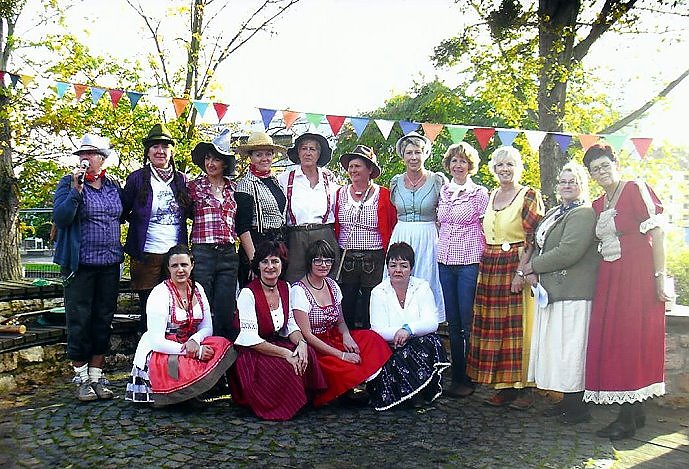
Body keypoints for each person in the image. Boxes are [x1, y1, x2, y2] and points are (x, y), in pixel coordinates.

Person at [582, 144, 669, 440]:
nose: (601, 172)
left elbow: (657, 232)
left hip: (637, 272)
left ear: (615, 164)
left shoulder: (635, 189)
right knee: (615, 338)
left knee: (631, 339)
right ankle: (636, 411)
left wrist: (660, 277)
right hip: (610, 275)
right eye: (595, 169)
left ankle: (627, 418)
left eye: (605, 165)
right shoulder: (597, 205)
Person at [465, 146, 544, 410]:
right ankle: (503, 387)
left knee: (517, 328)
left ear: (518, 167)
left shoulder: (529, 195)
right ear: (493, 169)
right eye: (500, 165)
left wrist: (522, 271)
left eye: (510, 165)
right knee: (494, 327)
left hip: (516, 263)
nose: (505, 170)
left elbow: (534, 240)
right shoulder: (490, 195)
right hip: (491, 265)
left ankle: (524, 389)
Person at [520, 162, 599, 424]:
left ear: (582, 185)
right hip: (554, 290)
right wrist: (532, 271)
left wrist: (533, 267)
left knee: (572, 349)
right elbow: (541, 244)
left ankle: (579, 408)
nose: (567, 185)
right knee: (559, 348)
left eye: (572, 181)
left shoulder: (583, 213)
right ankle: (567, 401)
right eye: (563, 181)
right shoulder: (556, 212)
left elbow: (569, 251)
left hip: (574, 292)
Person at [53, 133, 123, 402]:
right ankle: (81, 378)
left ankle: (97, 376)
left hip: (109, 263)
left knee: (103, 319)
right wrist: (75, 191)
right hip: (80, 266)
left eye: (92, 154)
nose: (85, 158)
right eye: (82, 154)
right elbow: (61, 217)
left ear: (102, 159)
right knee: (79, 320)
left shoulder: (112, 186)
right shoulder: (68, 184)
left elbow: (122, 213)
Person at [125, 245, 236, 407]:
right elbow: (157, 341)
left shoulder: (197, 289)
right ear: (168, 268)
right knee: (179, 362)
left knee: (221, 344)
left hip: (190, 342)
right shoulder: (160, 293)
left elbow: (207, 327)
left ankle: (193, 392)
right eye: (175, 266)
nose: (180, 270)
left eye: (184, 265)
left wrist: (195, 340)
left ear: (192, 265)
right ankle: (176, 396)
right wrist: (195, 352)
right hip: (163, 349)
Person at [231, 241, 327, 420]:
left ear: (282, 264)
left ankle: (304, 400)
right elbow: (250, 338)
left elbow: (290, 324)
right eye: (264, 262)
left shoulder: (285, 288)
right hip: (253, 351)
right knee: (285, 366)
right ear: (257, 266)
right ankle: (280, 406)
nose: (270, 267)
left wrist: (301, 344)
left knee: (308, 355)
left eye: (274, 261)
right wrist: (285, 353)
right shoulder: (248, 293)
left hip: (275, 341)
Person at [291, 240, 392, 406]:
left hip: (335, 338)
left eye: (328, 260)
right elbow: (307, 335)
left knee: (372, 339)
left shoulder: (332, 285)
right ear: (310, 262)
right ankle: (345, 389)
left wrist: (346, 336)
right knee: (345, 366)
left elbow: (341, 322)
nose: (324, 265)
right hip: (316, 347)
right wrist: (342, 355)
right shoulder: (299, 291)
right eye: (318, 260)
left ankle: (371, 383)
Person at [121, 123, 190, 332]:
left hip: (174, 256)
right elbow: (121, 211)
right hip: (146, 254)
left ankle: (174, 355)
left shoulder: (181, 180)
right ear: (148, 151)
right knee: (149, 309)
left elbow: (191, 211)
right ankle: (148, 357)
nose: (160, 151)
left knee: (175, 307)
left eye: (165, 147)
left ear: (171, 151)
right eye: (155, 147)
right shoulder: (137, 179)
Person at [368, 242, 450, 410]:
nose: (398, 270)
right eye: (393, 265)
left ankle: (419, 392)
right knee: (397, 355)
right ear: (387, 268)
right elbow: (377, 329)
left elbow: (432, 322)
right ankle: (405, 395)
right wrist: (398, 333)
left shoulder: (422, 287)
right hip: (390, 346)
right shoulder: (378, 292)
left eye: (404, 266)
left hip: (416, 341)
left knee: (431, 342)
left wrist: (408, 330)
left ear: (411, 268)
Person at [436, 142, 489, 398]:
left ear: (470, 166)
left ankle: (468, 377)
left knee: (466, 323)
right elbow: (440, 224)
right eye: (455, 161)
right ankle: (456, 376)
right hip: (445, 261)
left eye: (463, 162)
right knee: (452, 321)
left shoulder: (479, 194)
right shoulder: (443, 191)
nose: (458, 166)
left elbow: (485, 227)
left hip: (468, 261)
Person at [333, 145, 397, 329]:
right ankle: (347, 342)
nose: (353, 170)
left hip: (374, 257)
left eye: (358, 166)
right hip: (347, 256)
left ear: (370, 169)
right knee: (347, 301)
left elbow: (391, 224)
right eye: (351, 166)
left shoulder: (384, 194)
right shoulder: (340, 193)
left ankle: (373, 343)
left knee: (372, 302)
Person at [187, 129, 240, 340]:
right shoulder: (193, 187)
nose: (211, 163)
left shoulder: (234, 189)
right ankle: (202, 348)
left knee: (225, 307)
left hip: (228, 252)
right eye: (208, 158)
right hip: (202, 252)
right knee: (202, 304)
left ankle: (223, 352)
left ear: (224, 163)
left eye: (216, 159)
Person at [388, 132, 447, 321]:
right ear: (403, 156)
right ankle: (399, 320)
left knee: (426, 278)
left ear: (425, 154)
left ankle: (427, 322)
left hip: (428, 235)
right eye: (409, 153)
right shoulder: (396, 182)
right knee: (399, 275)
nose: (413, 157)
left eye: (418, 152)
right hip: (402, 234)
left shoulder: (437, 181)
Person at [278, 132, 340, 283]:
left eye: (312, 149)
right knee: (295, 279)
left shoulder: (330, 181)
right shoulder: (284, 179)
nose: (308, 153)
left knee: (326, 278)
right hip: (296, 236)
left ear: (319, 154)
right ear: (298, 153)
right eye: (304, 148)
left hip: (324, 234)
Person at [235, 131, 287, 287]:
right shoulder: (246, 184)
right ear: (251, 157)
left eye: (268, 154)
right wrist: (254, 260)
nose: (265, 158)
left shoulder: (275, 181)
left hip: (277, 246)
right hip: (257, 245)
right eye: (259, 154)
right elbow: (242, 227)